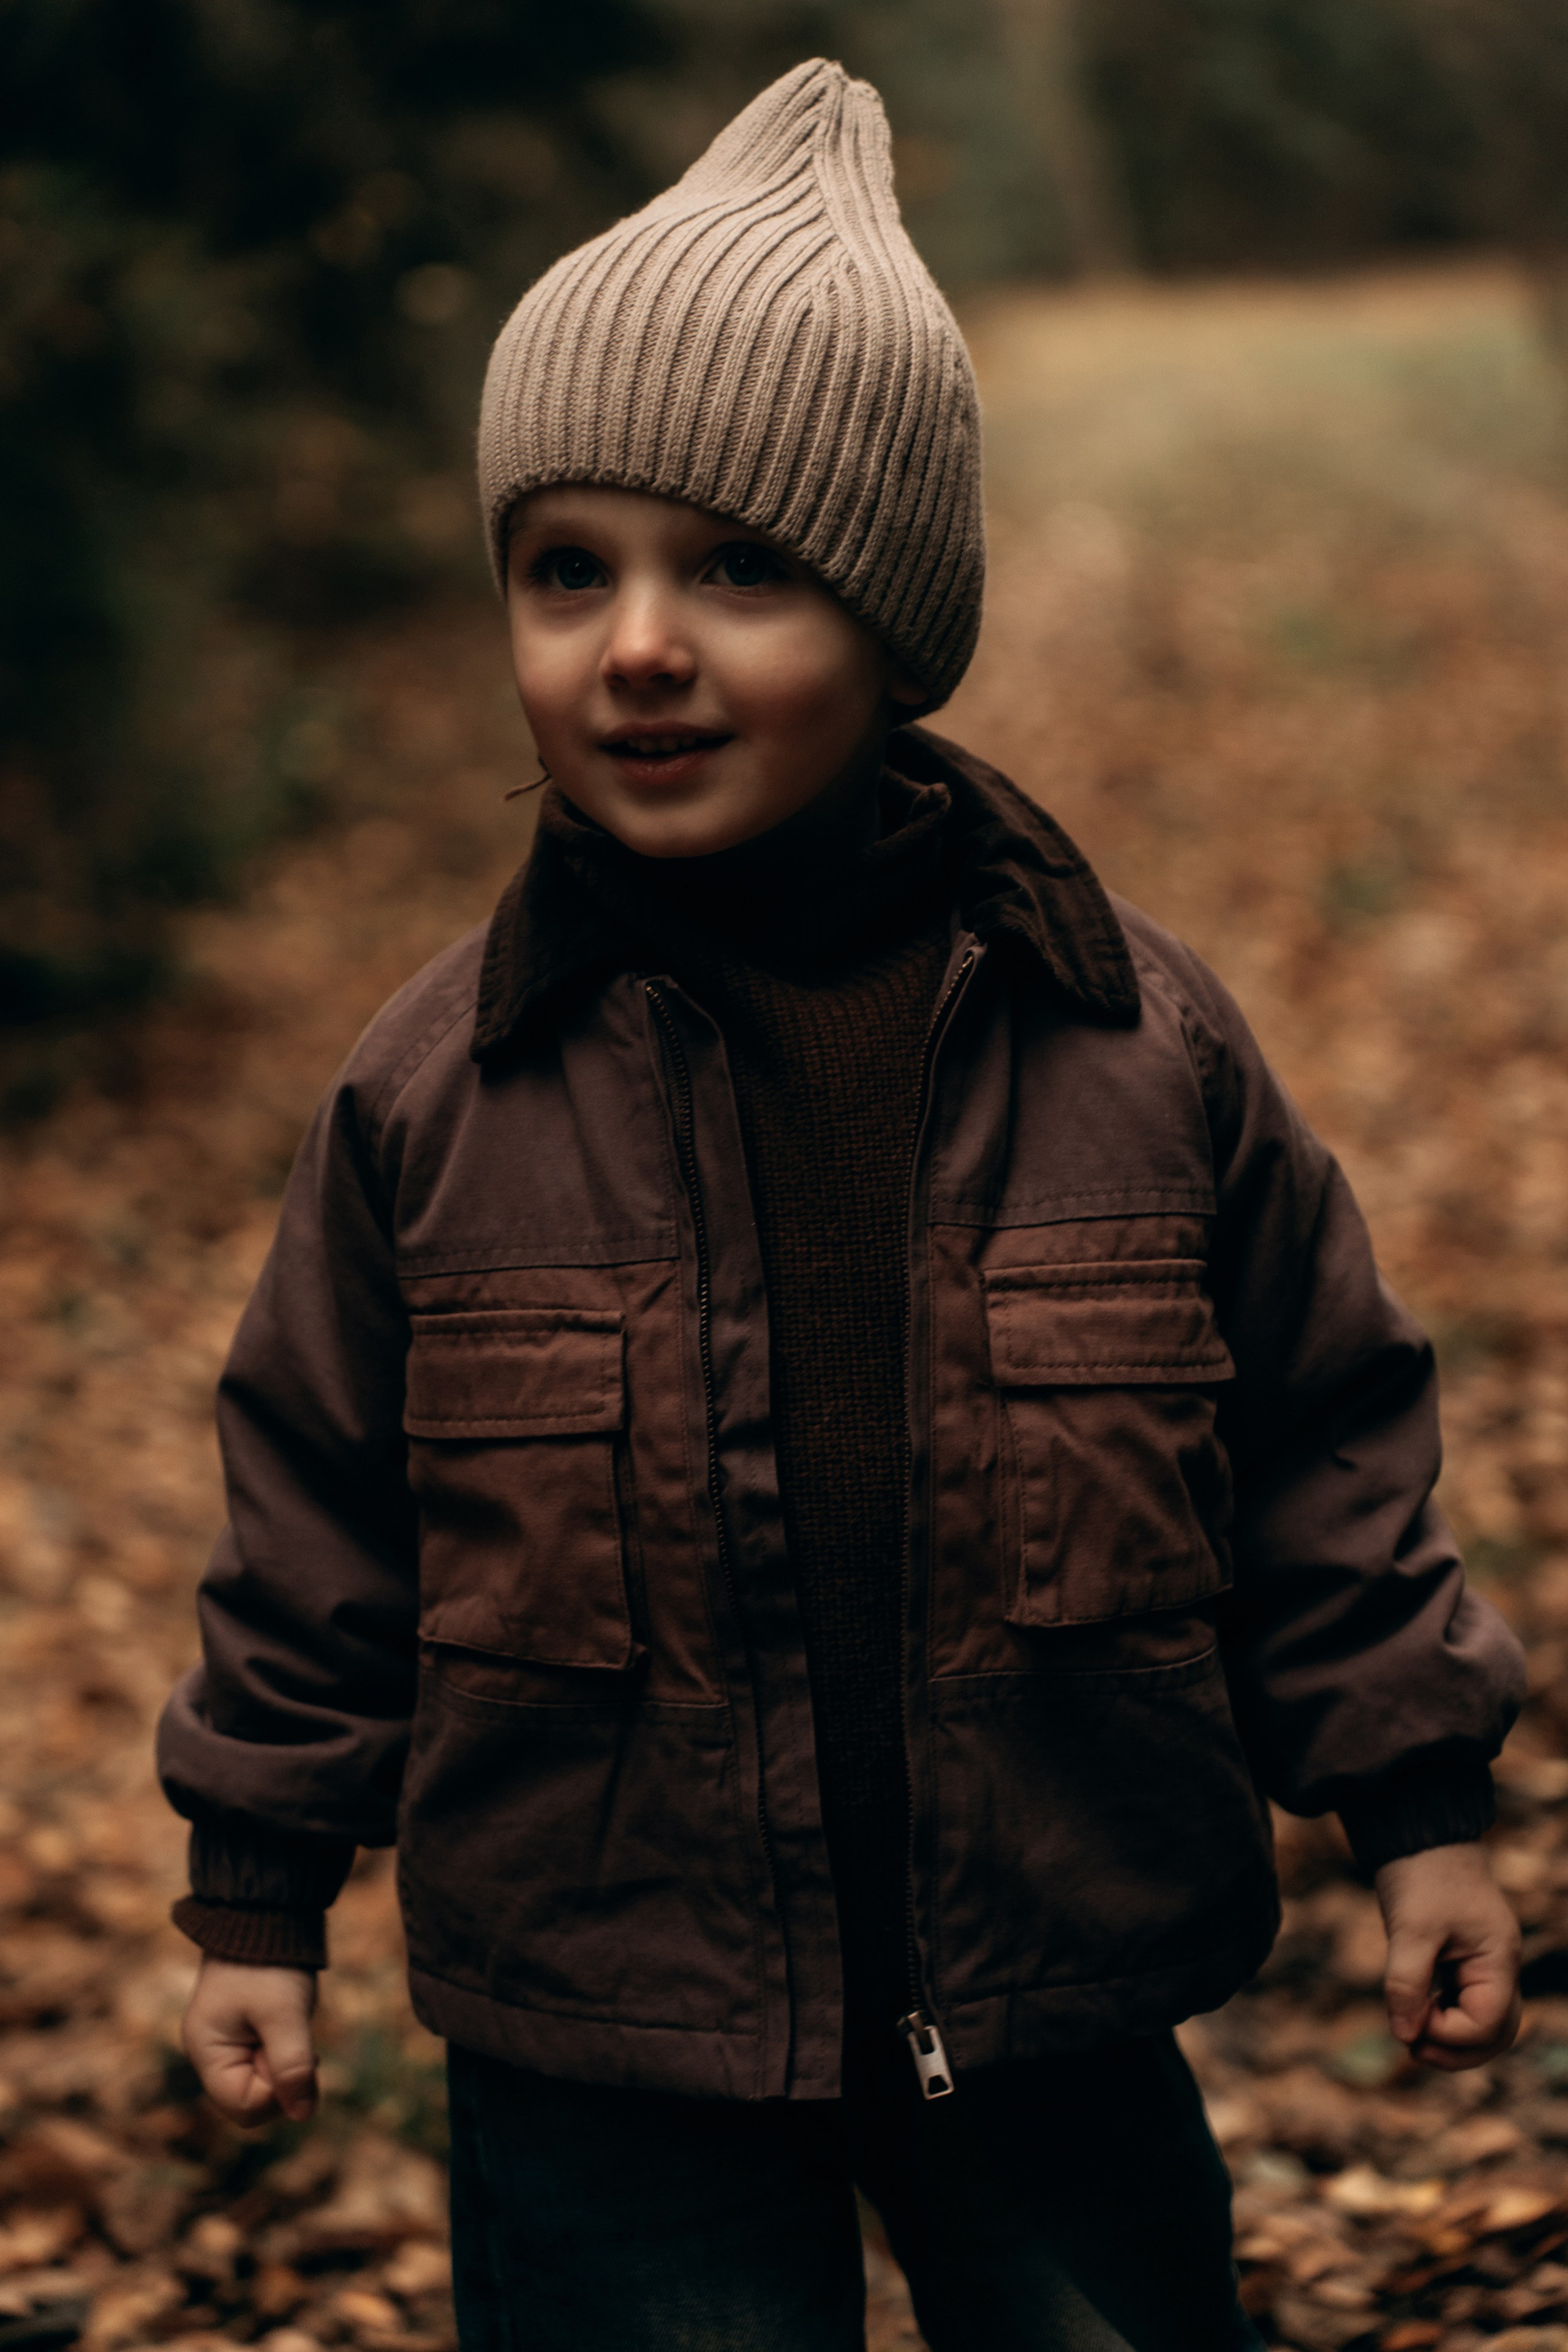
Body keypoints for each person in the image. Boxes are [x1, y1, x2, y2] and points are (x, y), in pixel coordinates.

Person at [157, 58, 1526, 2352]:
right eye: (564, 571)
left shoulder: (1133, 1049)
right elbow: (313, 1523)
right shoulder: (436, 1095)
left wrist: (1423, 1809)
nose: (641, 645)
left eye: (742, 569)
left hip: (1055, 1991)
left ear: (899, 617)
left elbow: (1323, 1442)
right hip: (609, 2033)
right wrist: (256, 1896)